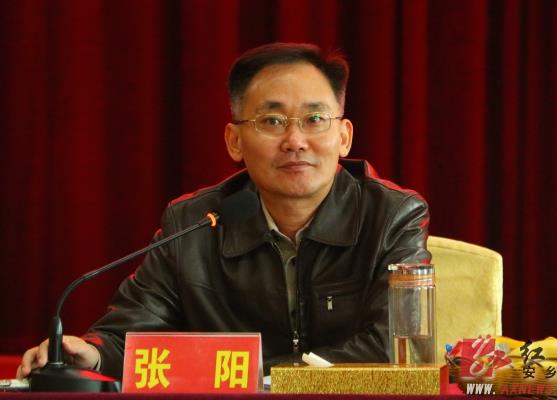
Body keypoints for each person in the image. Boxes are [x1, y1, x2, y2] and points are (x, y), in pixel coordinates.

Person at [18, 42, 430, 379]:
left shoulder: (393, 216)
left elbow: (395, 346)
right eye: (272, 121)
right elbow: (133, 332)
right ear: (234, 141)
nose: (295, 140)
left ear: (343, 136)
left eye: (315, 118)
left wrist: (250, 377)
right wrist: (89, 353)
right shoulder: (194, 222)